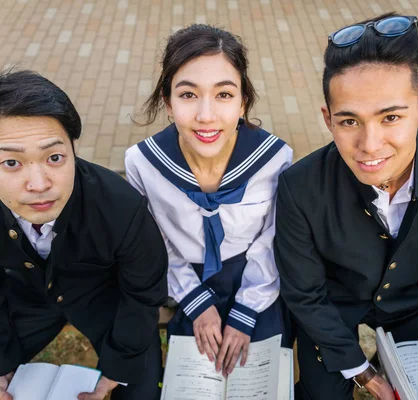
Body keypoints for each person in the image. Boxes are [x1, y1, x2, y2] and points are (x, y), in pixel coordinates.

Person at [274, 13, 418, 400]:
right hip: (333, 305)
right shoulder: (299, 187)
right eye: (349, 121)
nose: (370, 145)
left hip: (414, 300)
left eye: (391, 117)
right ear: (328, 119)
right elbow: (306, 295)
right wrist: (363, 373)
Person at [0, 70, 168, 400]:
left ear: (72, 149)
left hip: (103, 298)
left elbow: (144, 293)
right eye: (12, 163)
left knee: (141, 393)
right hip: (21, 298)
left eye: (54, 157)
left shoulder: (121, 206)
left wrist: (119, 367)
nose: (40, 183)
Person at [125, 24, 293, 377]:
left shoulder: (275, 158)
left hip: (258, 278)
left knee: (260, 374)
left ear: (243, 101)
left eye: (224, 95)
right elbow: (155, 243)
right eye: (187, 95)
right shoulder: (143, 163)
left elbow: (274, 238)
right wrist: (196, 303)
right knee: (194, 377)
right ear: (168, 103)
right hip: (184, 281)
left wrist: (247, 309)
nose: (206, 116)